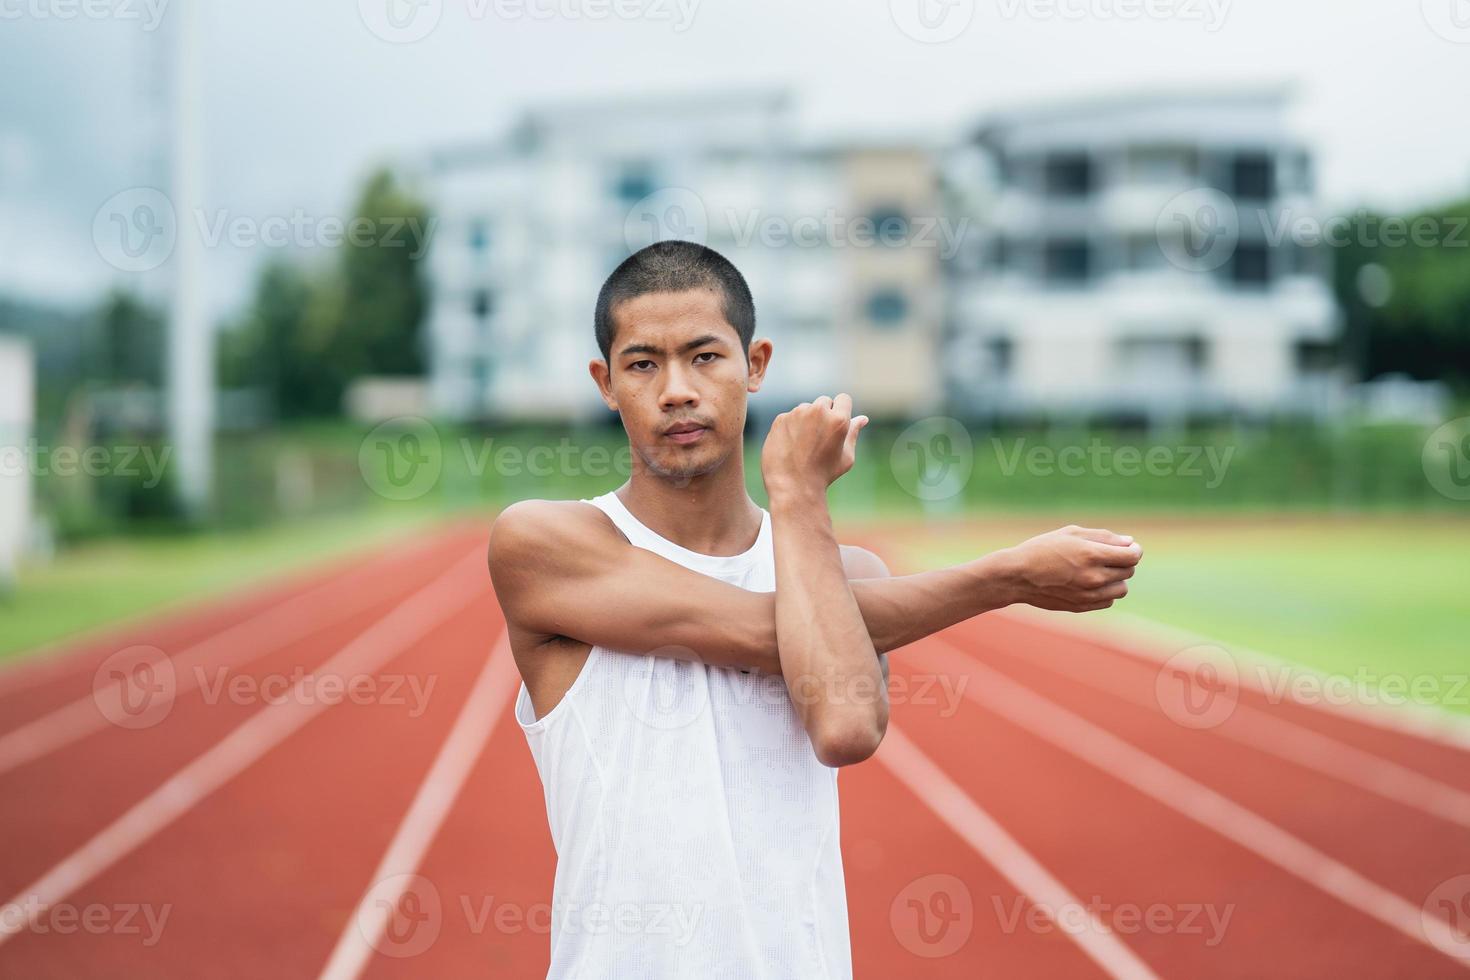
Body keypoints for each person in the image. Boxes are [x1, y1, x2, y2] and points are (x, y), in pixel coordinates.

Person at [487, 239, 1142, 978]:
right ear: (605, 383)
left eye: (705, 356)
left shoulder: (846, 575)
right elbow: (750, 629)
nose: (676, 389)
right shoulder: (544, 544)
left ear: (756, 364)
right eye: (643, 363)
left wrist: (797, 505)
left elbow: (845, 725)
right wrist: (1004, 576)